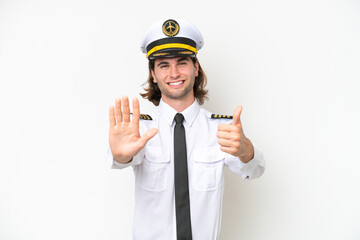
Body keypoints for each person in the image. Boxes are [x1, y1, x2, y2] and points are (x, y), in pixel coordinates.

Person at [107, 18, 265, 240]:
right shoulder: (139, 127)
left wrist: (247, 152)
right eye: (163, 65)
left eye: (182, 62)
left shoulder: (222, 128)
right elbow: (120, 157)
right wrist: (120, 156)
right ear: (153, 73)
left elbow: (255, 171)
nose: (174, 73)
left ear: (196, 68)